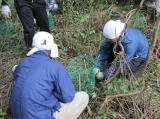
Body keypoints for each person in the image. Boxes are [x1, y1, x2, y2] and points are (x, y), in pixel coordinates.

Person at [10, 31, 89, 119]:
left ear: (32, 46)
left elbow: (16, 72)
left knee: (17, 70)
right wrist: (55, 92)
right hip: (41, 116)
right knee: (83, 96)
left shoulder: (23, 62)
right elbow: (68, 97)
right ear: (51, 48)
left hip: (16, 115)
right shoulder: (56, 66)